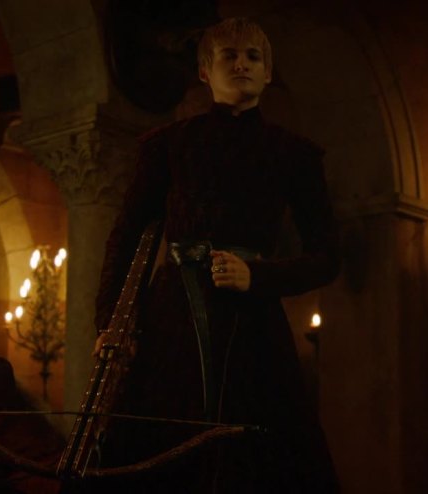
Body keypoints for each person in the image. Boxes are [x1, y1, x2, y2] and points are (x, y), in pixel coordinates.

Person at [91, 17, 340, 493]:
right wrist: (109, 323)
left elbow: (328, 256)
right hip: (171, 320)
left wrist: (258, 277)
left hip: (253, 327)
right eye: (229, 55)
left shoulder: (294, 154)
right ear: (205, 71)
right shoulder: (167, 146)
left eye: (253, 57)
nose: (242, 64)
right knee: (158, 454)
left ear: (268, 72)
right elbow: (126, 237)